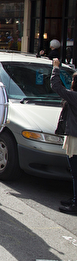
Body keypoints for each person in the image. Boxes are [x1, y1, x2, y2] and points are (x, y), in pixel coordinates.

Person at [51, 58, 77, 214]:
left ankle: (75, 204)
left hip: (75, 138)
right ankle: (74, 199)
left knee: (75, 172)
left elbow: (56, 87)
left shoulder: (75, 97)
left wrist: (55, 68)